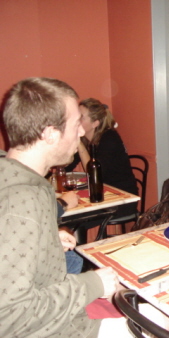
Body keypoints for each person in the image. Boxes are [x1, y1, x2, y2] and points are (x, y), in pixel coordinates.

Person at [0, 77, 120, 337]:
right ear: (50, 134)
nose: (80, 132)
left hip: (66, 318)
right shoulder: (22, 199)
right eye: (76, 123)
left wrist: (46, 238)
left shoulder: (16, 179)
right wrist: (92, 283)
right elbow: (8, 317)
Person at [67, 98, 138, 219]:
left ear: (95, 123)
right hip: (102, 195)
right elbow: (67, 165)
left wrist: (78, 143)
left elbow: (94, 174)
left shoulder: (109, 138)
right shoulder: (86, 139)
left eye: (81, 118)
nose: (77, 121)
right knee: (68, 211)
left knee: (72, 216)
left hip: (121, 199)